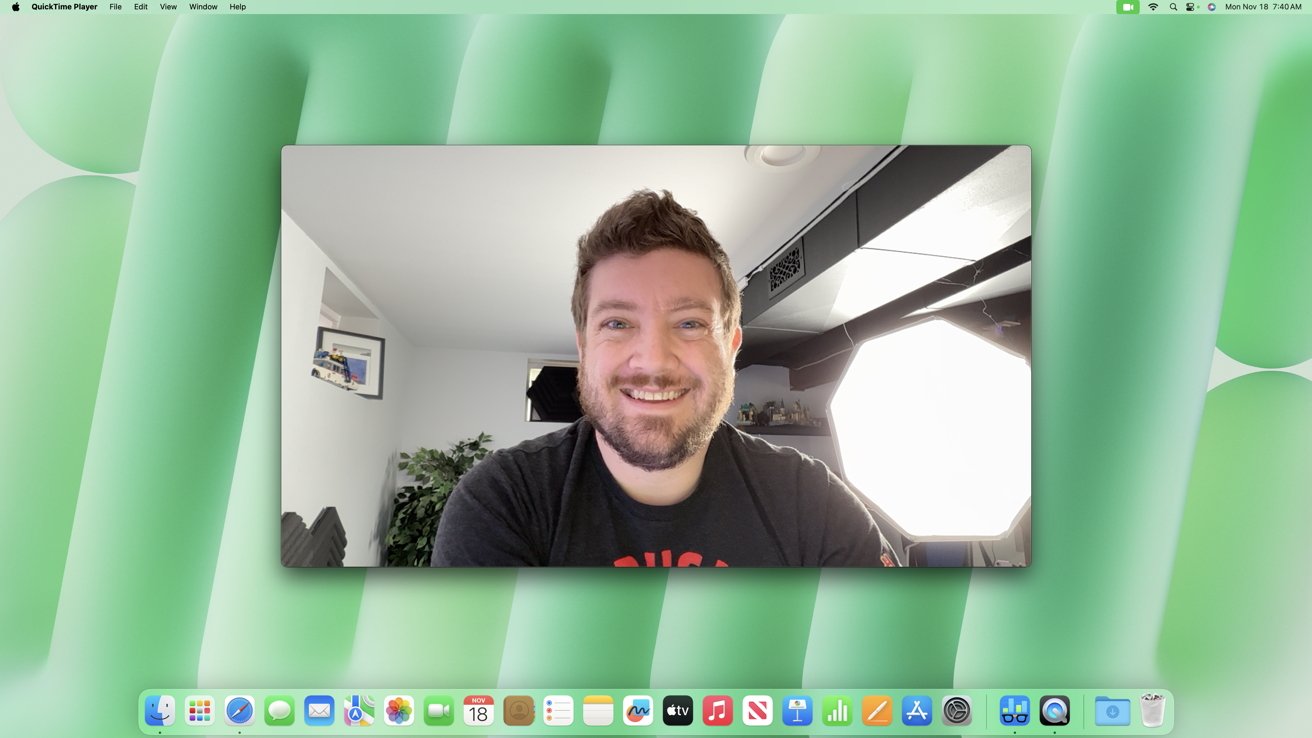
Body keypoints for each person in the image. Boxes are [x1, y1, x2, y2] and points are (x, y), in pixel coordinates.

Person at [432, 190, 899, 567]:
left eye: (690, 323)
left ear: (732, 346)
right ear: (583, 348)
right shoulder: (502, 502)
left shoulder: (812, 503)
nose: (654, 361)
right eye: (617, 323)